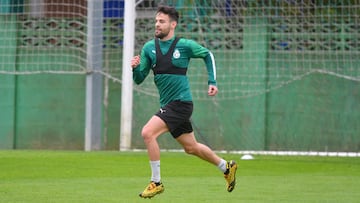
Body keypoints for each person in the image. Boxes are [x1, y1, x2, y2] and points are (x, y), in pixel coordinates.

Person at [131, 5, 237, 199]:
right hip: (169, 105)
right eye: (156, 21)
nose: (157, 24)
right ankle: (226, 167)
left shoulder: (185, 45)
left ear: (173, 24)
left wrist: (212, 81)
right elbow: (139, 79)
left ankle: (156, 182)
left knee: (147, 133)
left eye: (161, 21)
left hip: (181, 104)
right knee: (191, 148)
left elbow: (207, 55)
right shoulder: (148, 48)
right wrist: (135, 68)